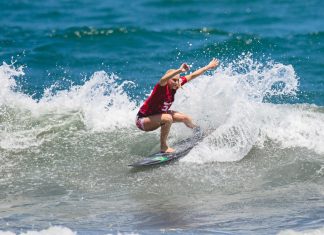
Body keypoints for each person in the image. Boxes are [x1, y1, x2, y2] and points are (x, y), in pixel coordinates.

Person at [135, 58, 219, 153]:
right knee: (168, 118)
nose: (177, 82)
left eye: (178, 80)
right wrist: (179, 70)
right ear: (168, 80)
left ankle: (199, 133)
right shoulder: (161, 87)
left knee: (185, 118)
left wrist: (208, 67)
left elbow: (192, 75)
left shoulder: (176, 84)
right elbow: (163, 79)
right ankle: (164, 147)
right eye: (174, 80)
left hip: (157, 116)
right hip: (143, 121)